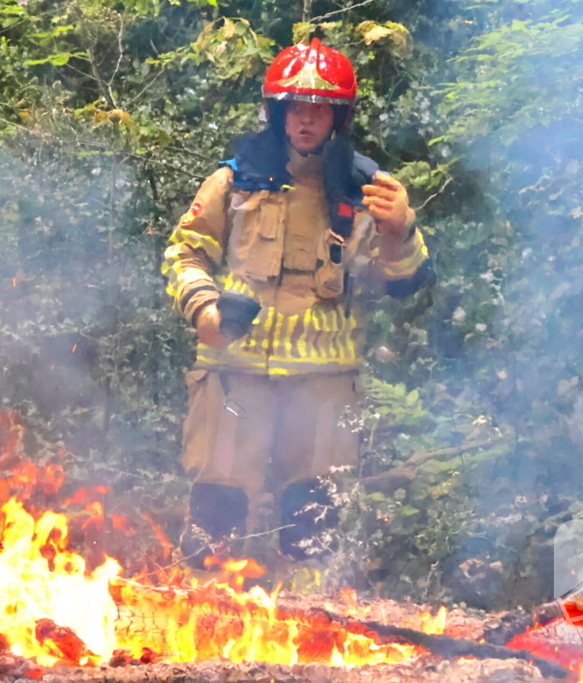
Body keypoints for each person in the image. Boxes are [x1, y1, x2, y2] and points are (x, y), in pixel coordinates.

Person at [162, 38, 434, 569]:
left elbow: (400, 284)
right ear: (276, 112)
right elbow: (183, 252)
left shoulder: (368, 193)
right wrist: (205, 312)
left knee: (313, 522)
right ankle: (198, 624)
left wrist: (401, 230)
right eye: (295, 107)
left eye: (318, 108)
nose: (305, 120)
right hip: (234, 376)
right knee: (216, 511)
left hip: (324, 384)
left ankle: (313, 630)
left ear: (338, 116)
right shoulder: (234, 181)